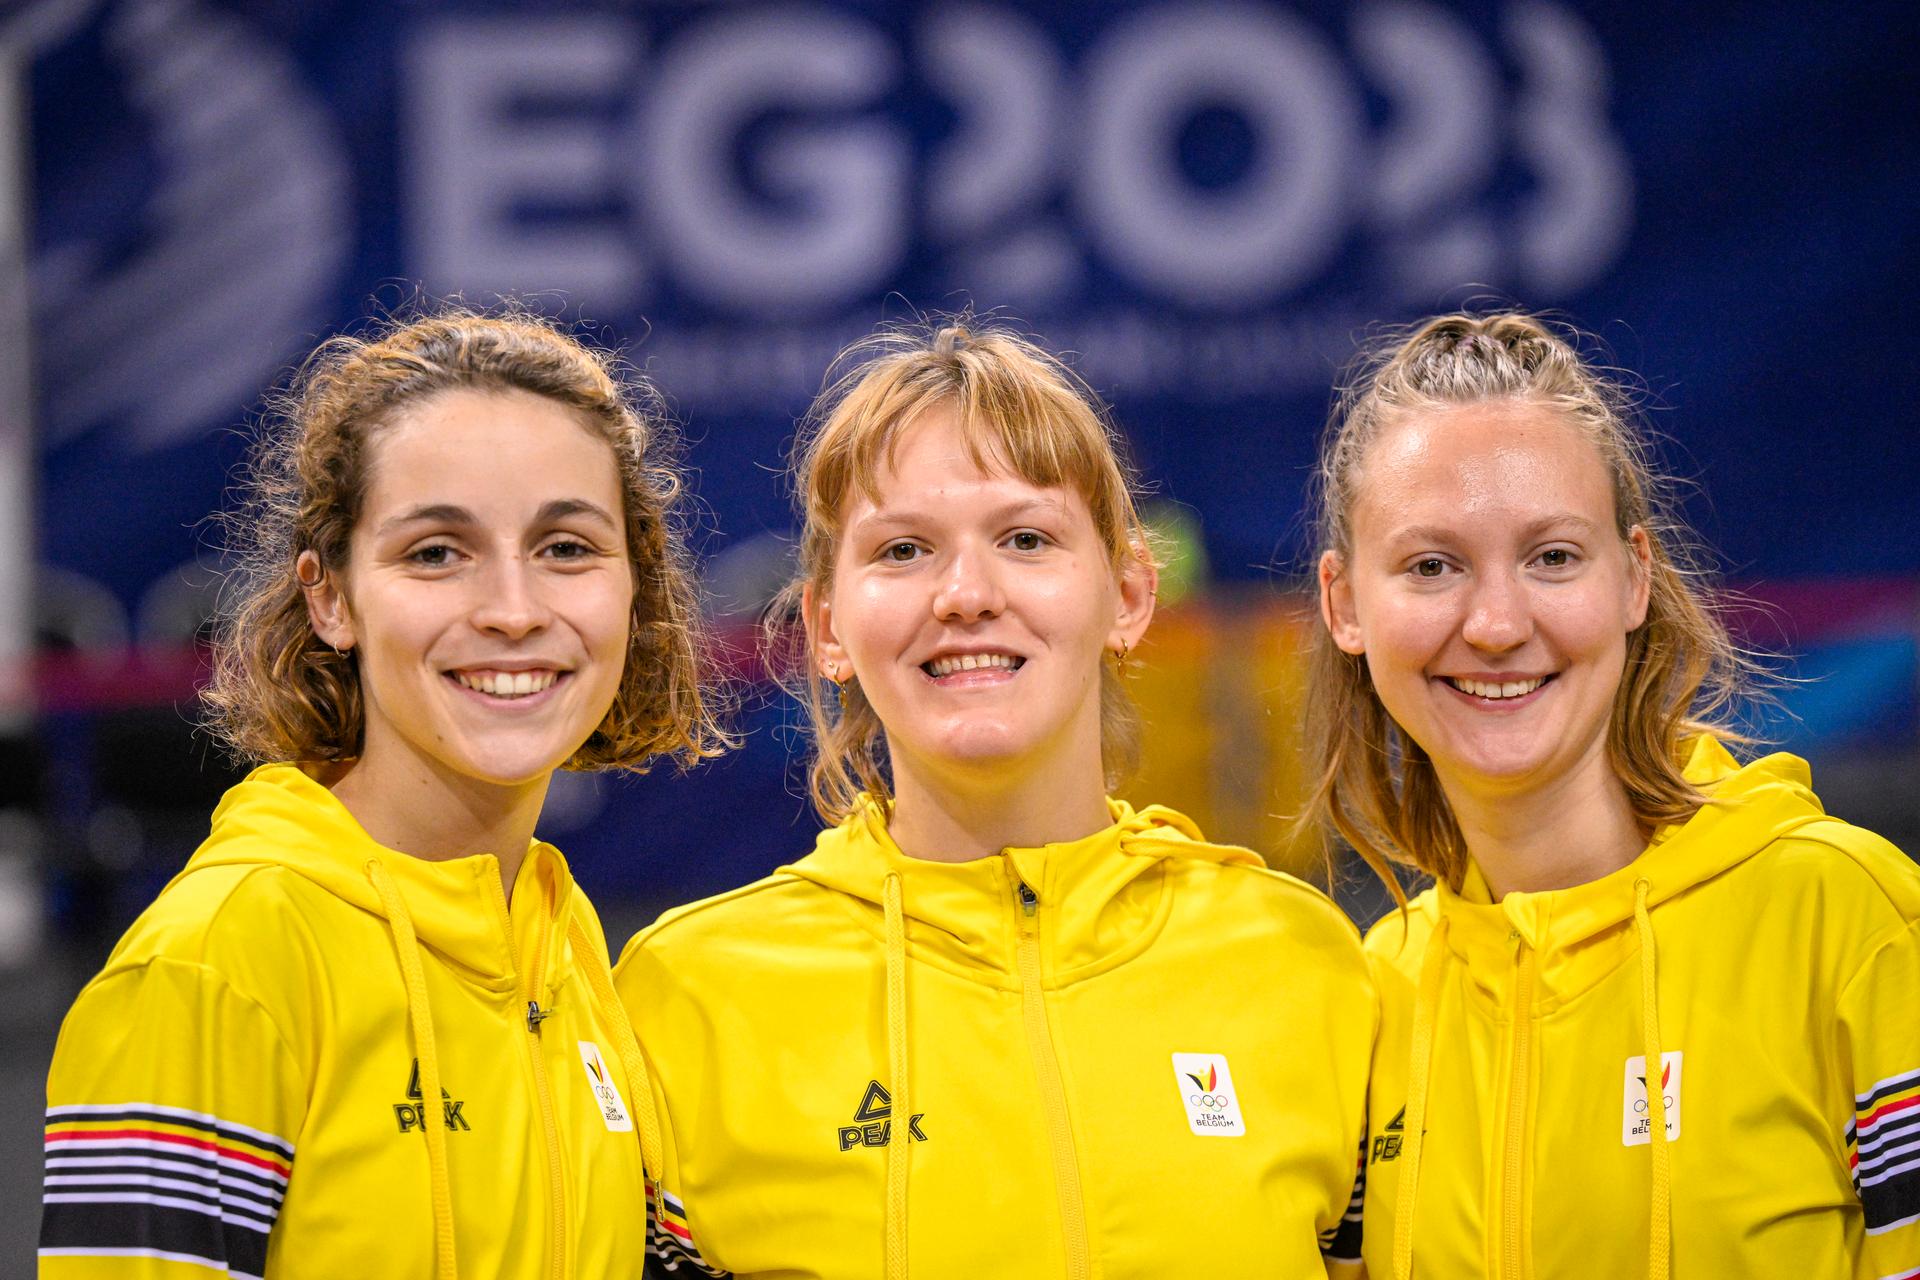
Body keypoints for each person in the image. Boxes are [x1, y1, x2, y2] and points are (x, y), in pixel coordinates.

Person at [614, 319, 1374, 1280]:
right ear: (826, 626)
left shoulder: (1308, 968)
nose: (966, 593)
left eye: (1025, 538)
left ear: (1130, 596)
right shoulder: (685, 996)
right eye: (902, 551)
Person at [39, 308, 727, 1279]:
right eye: (436, 552)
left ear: (633, 584)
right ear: (330, 596)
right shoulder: (215, 962)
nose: (514, 609)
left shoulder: (561, 950)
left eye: (566, 547)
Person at [1307, 311, 1920, 1278]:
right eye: (1432, 566)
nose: (1499, 623)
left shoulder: (1844, 923)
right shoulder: (1366, 1003)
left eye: (1553, 556)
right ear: (1344, 604)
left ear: (1635, 577)